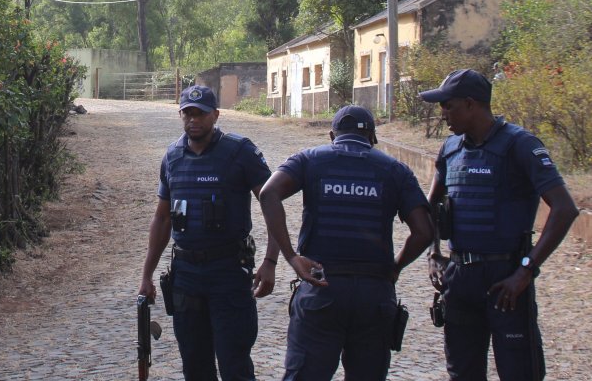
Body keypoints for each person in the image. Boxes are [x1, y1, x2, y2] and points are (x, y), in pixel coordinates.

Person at [420, 69, 579, 380]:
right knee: (462, 372)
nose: (442, 114)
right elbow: (431, 207)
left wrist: (526, 271)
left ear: (470, 104)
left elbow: (564, 209)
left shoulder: (519, 145)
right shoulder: (450, 150)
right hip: (460, 280)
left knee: (520, 372)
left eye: (448, 105)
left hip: (506, 281)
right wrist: (434, 253)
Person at [259, 105, 433, 381]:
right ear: (373, 138)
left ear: (332, 135)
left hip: (321, 286)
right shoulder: (395, 170)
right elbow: (424, 231)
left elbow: (268, 193)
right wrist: (395, 268)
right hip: (374, 293)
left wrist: (291, 256)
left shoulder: (310, 160)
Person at [138, 84, 279, 381]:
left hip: (228, 272)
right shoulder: (172, 157)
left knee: (234, 363)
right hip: (186, 275)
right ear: (180, 115)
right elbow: (162, 219)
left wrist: (270, 262)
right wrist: (146, 274)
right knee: (195, 363)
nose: (194, 120)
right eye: (187, 113)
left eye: (200, 114)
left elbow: (272, 206)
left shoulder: (240, 152)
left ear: (215, 115)